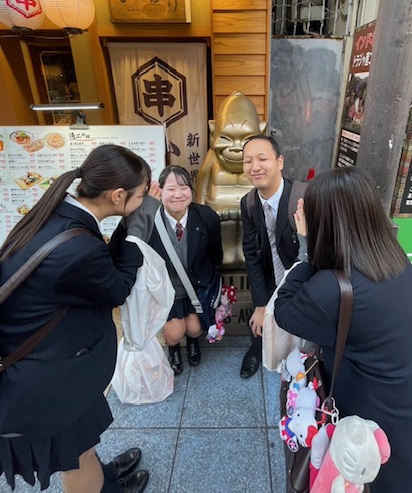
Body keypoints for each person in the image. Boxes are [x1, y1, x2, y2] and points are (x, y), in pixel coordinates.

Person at [274, 166, 412, 493]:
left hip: (369, 420)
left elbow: (285, 312)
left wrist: (304, 249)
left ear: (324, 222)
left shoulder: (332, 288)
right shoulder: (394, 260)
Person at [0, 144, 153, 493]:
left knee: (84, 437)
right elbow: (117, 288)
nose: (145, 200)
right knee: (76, 454)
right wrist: (135, 233)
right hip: (41, 380)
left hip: (48, 359)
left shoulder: (58, 212)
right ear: (117, 196)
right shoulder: (78, 249)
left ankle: (104, 476)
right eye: (142, 195)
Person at [111, 165, 223, 376]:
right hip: (166, 291)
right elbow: (120, 247)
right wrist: (139, 212)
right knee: (173, 334)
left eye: (184, 187)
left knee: (195, 329)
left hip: (196, 288)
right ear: (159, 191)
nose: (178, 194)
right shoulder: (147, 218)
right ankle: (174, 349)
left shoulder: (206, 216)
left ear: (192, 191)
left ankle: (193, 343)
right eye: (171, 189)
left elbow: (216, 254)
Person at [239, 135, 304, 379]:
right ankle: (257, 348)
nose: (254, 167)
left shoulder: (303, 197)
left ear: (279, 162)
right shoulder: (248, 203)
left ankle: (300, 358)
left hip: (301, 273)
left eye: (262, 159)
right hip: (269, 272)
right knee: (258, 319)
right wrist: (260, 304)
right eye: (248, 161)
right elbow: (251, 253)